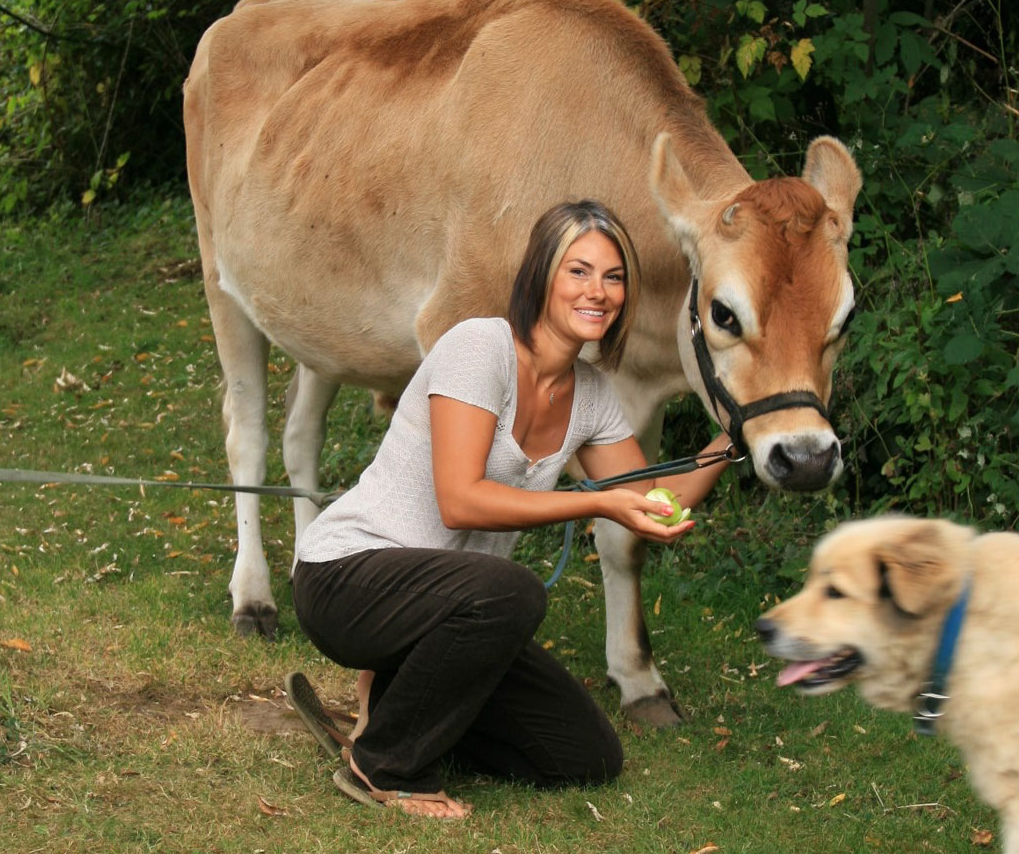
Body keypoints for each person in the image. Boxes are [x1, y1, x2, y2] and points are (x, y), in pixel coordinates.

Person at [288, 200, 731, 819]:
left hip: (450, 609)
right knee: (513, 593)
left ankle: (398, 710)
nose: (598, 292)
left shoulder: (593, 396)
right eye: (578, 271)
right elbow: (461, 499)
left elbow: (659, 501)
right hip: (347, 578)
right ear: (539, 277)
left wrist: (737, 432)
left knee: (585, 754)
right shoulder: (480, 348)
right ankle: (386, 764)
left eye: (613, 276)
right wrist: (596, 502)